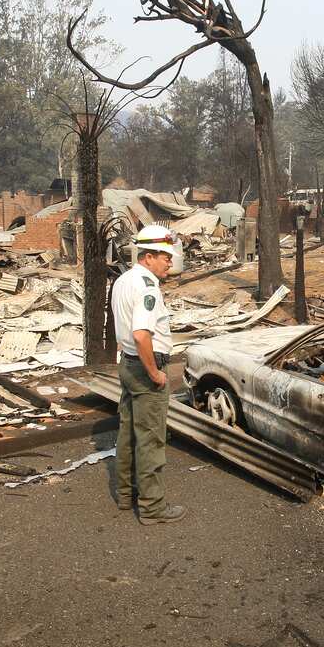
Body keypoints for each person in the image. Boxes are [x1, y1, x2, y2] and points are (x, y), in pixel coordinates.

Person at [111, 224, 187, 525]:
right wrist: (155, 373)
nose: (170, 262)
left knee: (128, 432)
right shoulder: (147, 286)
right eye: (165, 257)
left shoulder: (124, 280)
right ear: (150, 256)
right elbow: (142, 334)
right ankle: (152, 507)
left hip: (128, 364)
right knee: (151, 438)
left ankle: (125, 494)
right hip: (145, 366)